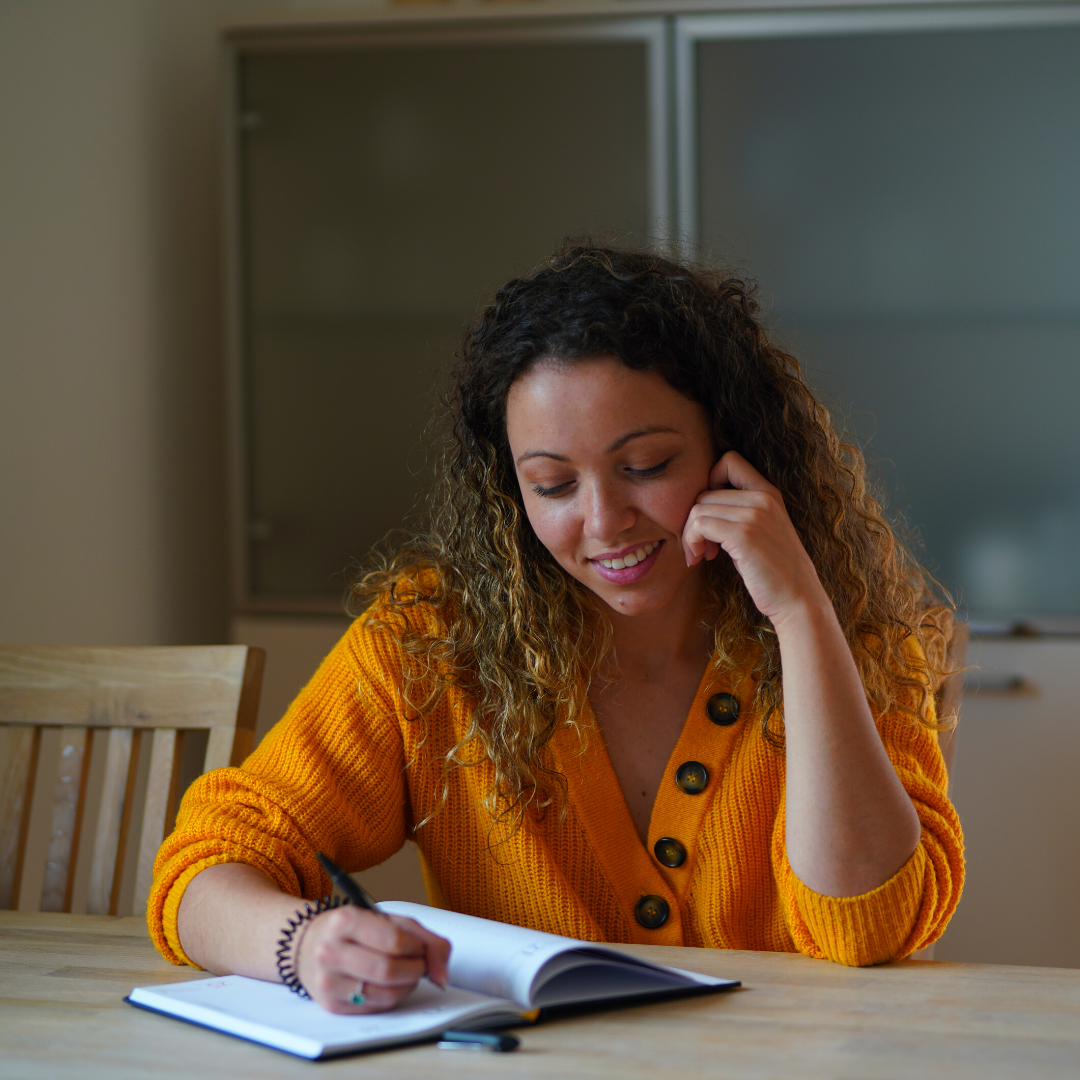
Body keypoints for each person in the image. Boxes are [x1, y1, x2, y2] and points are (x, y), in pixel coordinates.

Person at [149, 243, 963, 1015]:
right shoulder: (431, 643)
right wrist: (303, 944)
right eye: (553, 484)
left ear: (733, 451)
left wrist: (801, 614)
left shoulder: (855, 638)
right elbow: (202, 868)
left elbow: (871, 928)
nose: (604, 522)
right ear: (512, 492)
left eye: (645, 467)